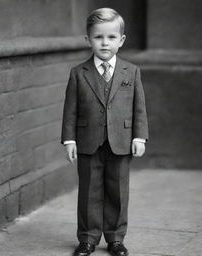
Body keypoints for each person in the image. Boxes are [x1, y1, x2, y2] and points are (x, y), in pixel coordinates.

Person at [61, 7, 148, 256]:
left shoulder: (131, 71)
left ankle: (115, 238)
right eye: (98, 37)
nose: (105, 42)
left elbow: (139, 107)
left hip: (120, 141)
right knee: (89, 192)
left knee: (118, 191)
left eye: (111, 37)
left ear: (121, 40)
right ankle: (87, 238)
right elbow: (71, 109)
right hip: (88, 141)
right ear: (88, 39)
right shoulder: (78, 73)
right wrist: (69, 140)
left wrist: (139, 137)